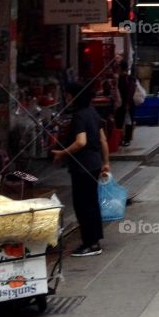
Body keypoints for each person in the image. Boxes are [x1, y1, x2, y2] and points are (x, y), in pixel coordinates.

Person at [52, 81, 110, 257]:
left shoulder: (79, 116)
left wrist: (62, 153)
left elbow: (81, 141)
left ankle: (90, 243)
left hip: (82, 166)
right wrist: (105, 162)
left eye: (69, 95)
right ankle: (94, 240)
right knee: (92, 203)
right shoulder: (92, 112)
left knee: (83, 205)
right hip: (94, 164)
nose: (67, 98)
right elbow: (103, 140)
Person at [115, 60, 137, 147]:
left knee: (127, 121)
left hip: (127, 103)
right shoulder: (119, 78)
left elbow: (130, 92)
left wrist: (127, 103)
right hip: (122, 103)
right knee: (120, 121)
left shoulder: (128, 79)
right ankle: (121, 138)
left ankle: (126, 139)